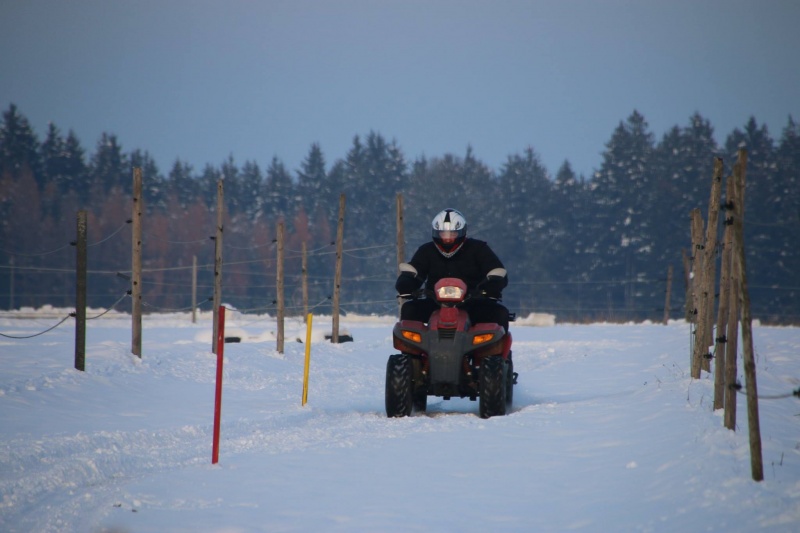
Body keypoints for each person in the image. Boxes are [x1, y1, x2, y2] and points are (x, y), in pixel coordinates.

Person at [395, 208, 510, 332]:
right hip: (434, 303)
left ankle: (495, 350)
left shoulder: (479, 249)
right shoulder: (426, 250)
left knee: (499, 313)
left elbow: (496, 271)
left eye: (453, 234)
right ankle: (411, 351)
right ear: (436, 233)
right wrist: (406, 283)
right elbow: (415, 271)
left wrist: (491, 287)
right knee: (409, 309)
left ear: (462, 232)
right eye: (443, 234)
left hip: (473, 302)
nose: (448, 239)